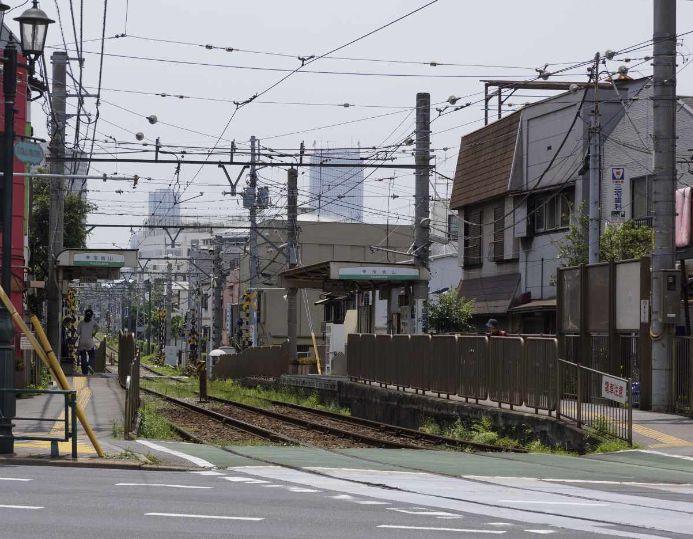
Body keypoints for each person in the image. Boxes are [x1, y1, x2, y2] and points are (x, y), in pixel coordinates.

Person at [77, 308, 99, 375]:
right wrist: (93, 333)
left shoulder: (81, 323)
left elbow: (78, 332)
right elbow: (98, 327)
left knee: (83, 356)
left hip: (82, 342)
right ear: (91, 315)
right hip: (90, 341)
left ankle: (84, 372)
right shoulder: (93, 322)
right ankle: (89, 365)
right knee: (92, 356)